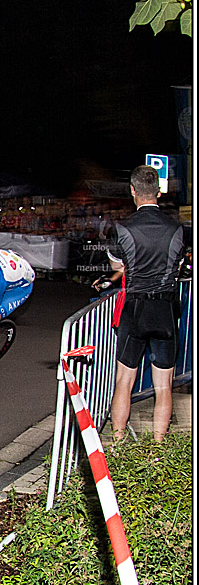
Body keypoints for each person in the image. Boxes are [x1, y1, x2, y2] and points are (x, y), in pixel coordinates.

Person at [106, 165, 186, 442]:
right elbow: (179, 267)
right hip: (165, 308)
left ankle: (117, 442)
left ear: (132, 191)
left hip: (135, 308)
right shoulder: (178, 229)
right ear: (159, 191)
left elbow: (117, 266)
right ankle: (158, 447)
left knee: (124, 382)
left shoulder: (122, 228)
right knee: (164, 386)